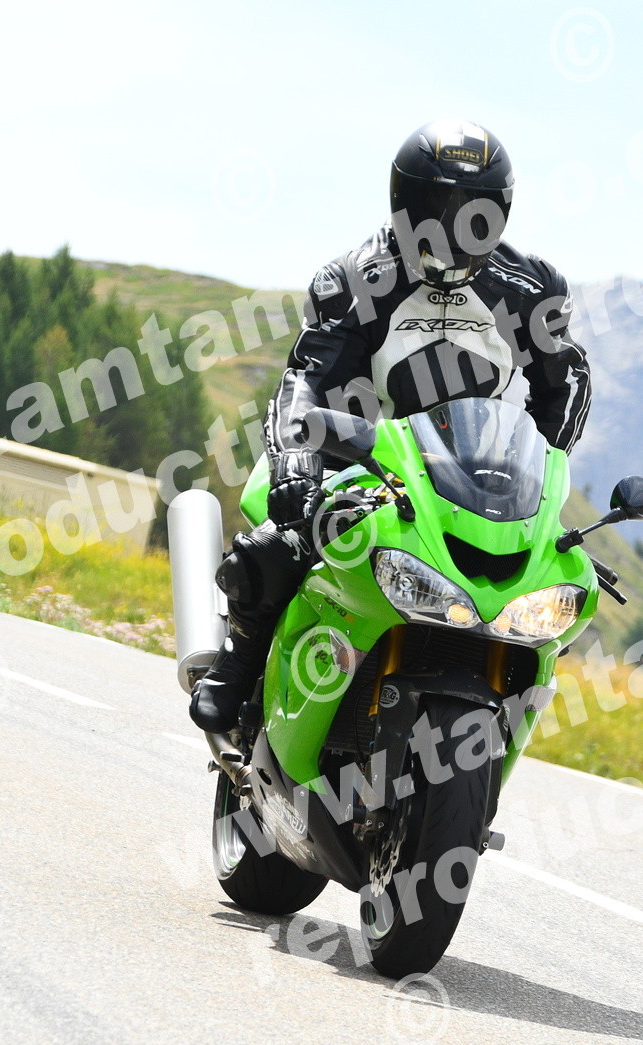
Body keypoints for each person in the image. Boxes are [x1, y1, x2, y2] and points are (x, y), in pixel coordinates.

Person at [189, 118, 592, 734]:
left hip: (471, 480)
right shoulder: (355, 279)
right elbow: (308, 378)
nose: (455, 229)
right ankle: (238, 666)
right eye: (439, 208)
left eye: (476, 213)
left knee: (538, 592)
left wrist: (541, 480)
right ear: (404, 203)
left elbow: (567, 383)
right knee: (275, 547)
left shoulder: (531, 289)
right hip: (357, 459)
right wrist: (298, 468)